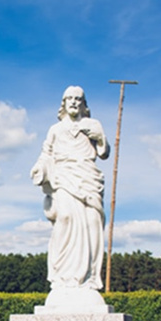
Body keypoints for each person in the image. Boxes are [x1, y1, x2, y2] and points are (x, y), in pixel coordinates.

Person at [31, 86, 110, 305]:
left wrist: (100, 138)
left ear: (84, 104)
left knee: (92, 224)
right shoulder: (55, 129)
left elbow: (104, 152)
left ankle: (88, 279)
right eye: (70, 99)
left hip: (88, 177)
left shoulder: (93, 125)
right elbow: (46, 153)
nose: (74, 102)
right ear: (63, 103)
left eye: (78, 99)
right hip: (64, 177)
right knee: (64, 218)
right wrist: (40, 168)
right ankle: (63, 278)